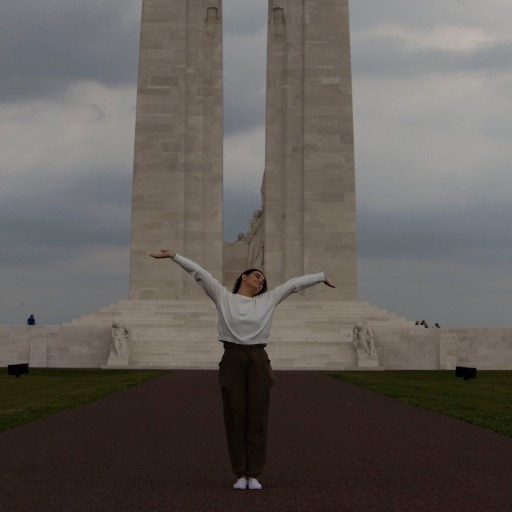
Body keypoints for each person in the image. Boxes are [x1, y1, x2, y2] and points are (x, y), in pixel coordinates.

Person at [150, 248, 335, 490]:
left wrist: (320, 275)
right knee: (235, 417)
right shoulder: (223, 297)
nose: (261, 279)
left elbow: (293, 284)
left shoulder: (268, 300)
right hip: (232, 358)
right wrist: (175, 256)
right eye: (256, 275)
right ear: (244, 277)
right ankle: (240, 473)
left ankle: (254, 473)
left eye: (263, 279)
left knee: (257, 418)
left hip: (258, 359)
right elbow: (199, 273)